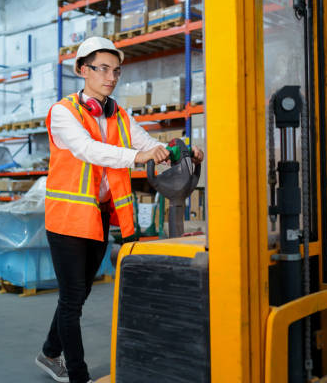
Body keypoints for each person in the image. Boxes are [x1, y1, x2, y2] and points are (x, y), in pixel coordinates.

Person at [35, 36, 204, 383]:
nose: (111, 77)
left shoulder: (119, 115)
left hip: (97, 217)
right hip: (67, 220)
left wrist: (182, 150)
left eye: (116, 71)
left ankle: (49, 352)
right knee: (71, 301)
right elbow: (88, 150)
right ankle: (77, 375)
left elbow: (148, 143)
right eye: (102, 69)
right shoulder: (62, 113)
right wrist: (136, 157)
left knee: (78, 294)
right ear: (83, 70)